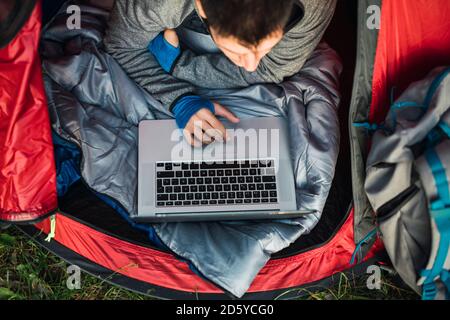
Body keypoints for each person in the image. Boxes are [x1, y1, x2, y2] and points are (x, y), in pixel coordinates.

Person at [104, 0, 336, 146]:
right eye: (235, 51)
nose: (251, 66)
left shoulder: (316, 3)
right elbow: (119, 45)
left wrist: (178, 65)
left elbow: (274, 67)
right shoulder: (157, 4)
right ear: (202, 6)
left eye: (265, 48)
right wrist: (177, 98)